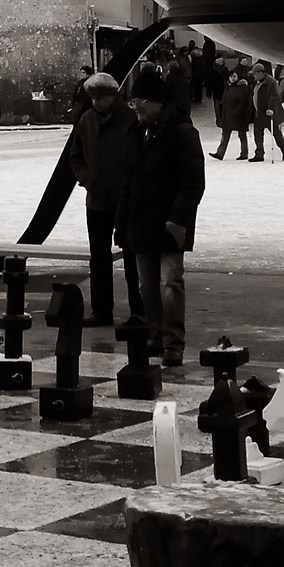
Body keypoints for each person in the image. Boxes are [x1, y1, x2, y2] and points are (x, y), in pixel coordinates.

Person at [121, 81, 205, 369]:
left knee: (171, 283)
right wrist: (123, 223)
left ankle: (173, 343)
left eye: (142, 101)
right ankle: (155, 335)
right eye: (133, 102)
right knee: (147, 286)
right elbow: (128, 182)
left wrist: (178, 219)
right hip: (141, 221)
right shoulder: (135, 133)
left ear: (159, 103)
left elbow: (192, 182)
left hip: (170, 223)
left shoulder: (182, 133)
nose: (137, 107)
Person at [66, 72, 142, 326]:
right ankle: (101, 310)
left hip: (126, 200)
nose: (97, 103)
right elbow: (75, 154)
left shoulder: (130, 120)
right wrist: (86, 177)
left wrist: (129, 182)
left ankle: (138, 310)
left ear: (113, 97)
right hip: (97, 200)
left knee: (132, 257)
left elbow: (140, 155)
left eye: (101, 98)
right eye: (93, 98)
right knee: (98, 257)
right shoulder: (87, 120)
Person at [214, 65, 253, 160]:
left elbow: (243, 102)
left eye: (234, 76)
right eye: (231, 76)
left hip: (239, 116)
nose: (232, 78)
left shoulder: (242, 87)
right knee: (225, 135)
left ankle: (244, 153)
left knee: (242, 135)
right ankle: (220, 153)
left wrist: (236, 112)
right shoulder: (228, 87)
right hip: (228, 116)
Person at [250, 62, 278, 162]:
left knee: (276, 134)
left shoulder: (270, 82)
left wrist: (270, 108)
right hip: (258, 113)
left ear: (261, 73)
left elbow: (274, 97)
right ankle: (259, 154)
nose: (254, 76)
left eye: (255, 74)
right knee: (257, 134)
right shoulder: (257, 83)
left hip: (268, 113)